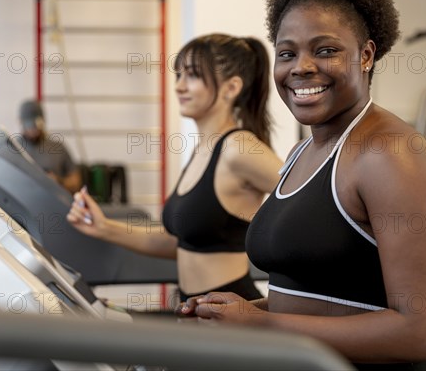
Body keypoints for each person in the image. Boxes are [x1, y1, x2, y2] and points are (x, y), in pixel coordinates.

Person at [177, 0, 426, 370]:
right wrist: (232, 311)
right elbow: (320, 296)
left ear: (366, 55)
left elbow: (423, 333)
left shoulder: (391, 154)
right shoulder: (301, 153)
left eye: (325, 50)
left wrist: (262, 324)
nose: (302, 68)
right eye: (287, 54)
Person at [67, 34, 283, 303]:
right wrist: (103, 226)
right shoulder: (203, 149)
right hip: (195, 310)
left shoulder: (238, 148)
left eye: (192, 75)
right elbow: (178, 243)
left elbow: (310, 203)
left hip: (232, 313)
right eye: (178, 75)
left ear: (231, 88)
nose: (179, 86)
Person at [19, 99, 82, 194]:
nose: (33, 130)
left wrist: (59, 181)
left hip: (53, 203)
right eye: (29, 125)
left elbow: (75, 182)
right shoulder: (12, 149)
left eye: (37, 125)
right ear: (20, 122)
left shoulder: (58, 148)